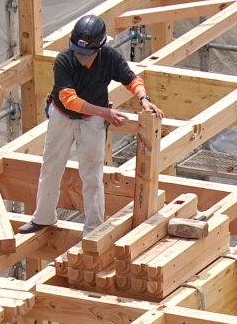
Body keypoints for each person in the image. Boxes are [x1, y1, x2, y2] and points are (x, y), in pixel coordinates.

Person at [17, 14, 164, 235]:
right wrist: (104, 112)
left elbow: (131, 79)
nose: (81, 57)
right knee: (51, 167)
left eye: (86, 54)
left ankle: (93, 229)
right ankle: (43, 217)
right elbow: (69, 100)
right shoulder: (64, 60)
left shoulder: (110, 58)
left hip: (92, 120)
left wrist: (144, 99)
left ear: (99, 48)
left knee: (92, 173)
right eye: (78, 51)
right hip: (63, 116)